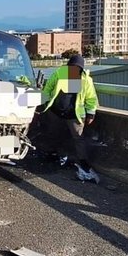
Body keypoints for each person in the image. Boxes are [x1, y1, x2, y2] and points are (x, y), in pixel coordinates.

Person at [37, 54, 100, 183]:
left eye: (77, 68)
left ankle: (83, 161)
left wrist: (91, 113)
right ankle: (52, 153)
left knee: (78, 138)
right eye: (71, 67)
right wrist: (45, 102)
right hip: (56, 111)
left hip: (75, 115)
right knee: (53, 133)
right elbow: (48, 88)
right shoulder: (59, 73)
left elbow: (91, 98)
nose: (74, 70)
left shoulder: (86, 80)